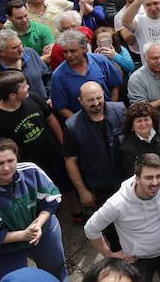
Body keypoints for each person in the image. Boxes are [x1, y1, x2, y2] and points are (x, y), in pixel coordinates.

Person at [0, 138, 67, 282]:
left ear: (17, 158)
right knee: (10, 279)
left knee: (56, 271)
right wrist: (23, 235)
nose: (6, 168)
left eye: (11, 161)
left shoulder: (31, 171)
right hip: (5, 248)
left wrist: (38, 224)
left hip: (43, 230)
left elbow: (51, 200)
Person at [84, 153, 160, 282]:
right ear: (137, 178)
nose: (155, 182)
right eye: (148, 177)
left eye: (159, 176)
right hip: (138, 261)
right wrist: (109, 255)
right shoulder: (117, 204)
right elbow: (91, 228)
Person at [0, 71, 64, 185]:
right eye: (24, 86)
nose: (28, 87)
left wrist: (62, 142)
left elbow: (50, 118)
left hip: (54, 158)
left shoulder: (33, 98)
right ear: (12, 95)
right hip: (29, 170)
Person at [63, 82, 126, 220]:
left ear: (103, 94)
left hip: (127, 180)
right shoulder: (72, 126)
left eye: (99, 97)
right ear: (80, 100)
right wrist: (82, 191)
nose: (96, 103)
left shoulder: (121, 110)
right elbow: (71, 161)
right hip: (101, 187)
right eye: (90, 100)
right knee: (111, 224)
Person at [49, 30, 122, 120]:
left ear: (84, 48)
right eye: (65, 52)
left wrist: (111, 111)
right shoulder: (58, 75)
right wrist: (80, 124)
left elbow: (115, 86)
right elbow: (60, 107)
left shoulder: (101, 61)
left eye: (73, 51)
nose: (69, 55)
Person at [0, 29, 50, 109]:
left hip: (46, 109)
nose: (21, 49)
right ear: (1, 52)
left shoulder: (31, 53)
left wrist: (50, 97)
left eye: (20, 44)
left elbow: (48, 78)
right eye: (15, 48)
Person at [126, 41, 160, 128]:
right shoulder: (136, 79)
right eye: (154, 58)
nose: (159, 61)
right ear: (145, 58)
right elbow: (139, 110)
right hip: (156, 129)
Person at [118, 101, 160, 177]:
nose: (143, 124)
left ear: (152, 120)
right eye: (139, 121)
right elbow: (134, 173)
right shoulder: (127, 147)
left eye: (146, 119)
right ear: (132, 124)